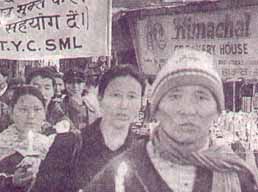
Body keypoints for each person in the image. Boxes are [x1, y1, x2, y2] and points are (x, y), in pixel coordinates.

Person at [85, 49, 258, 192]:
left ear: (217, 110)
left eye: (201, 97)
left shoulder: (237, 175)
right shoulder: (120, 173)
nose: (187, 110)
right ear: (157, 108)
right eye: (175, 96)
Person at [0, 86, 80, 192]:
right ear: (11, 111)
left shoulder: (53, 142)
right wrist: (12, 182)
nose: (31, 116)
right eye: (23, 110)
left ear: (44, 112)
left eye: (37, 109)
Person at [75, 65, 145, 190]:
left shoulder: (146, 152)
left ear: (141, 102)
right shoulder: (71, 144)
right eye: (116, 95)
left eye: (132, 96)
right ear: (100, 98)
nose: (124, 105)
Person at [26, 68, 73, 134]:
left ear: (53, 91)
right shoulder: (16, 111)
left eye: (47, 88)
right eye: (36, 87)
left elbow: (74, 132)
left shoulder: (58, 111)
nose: (42, 92)